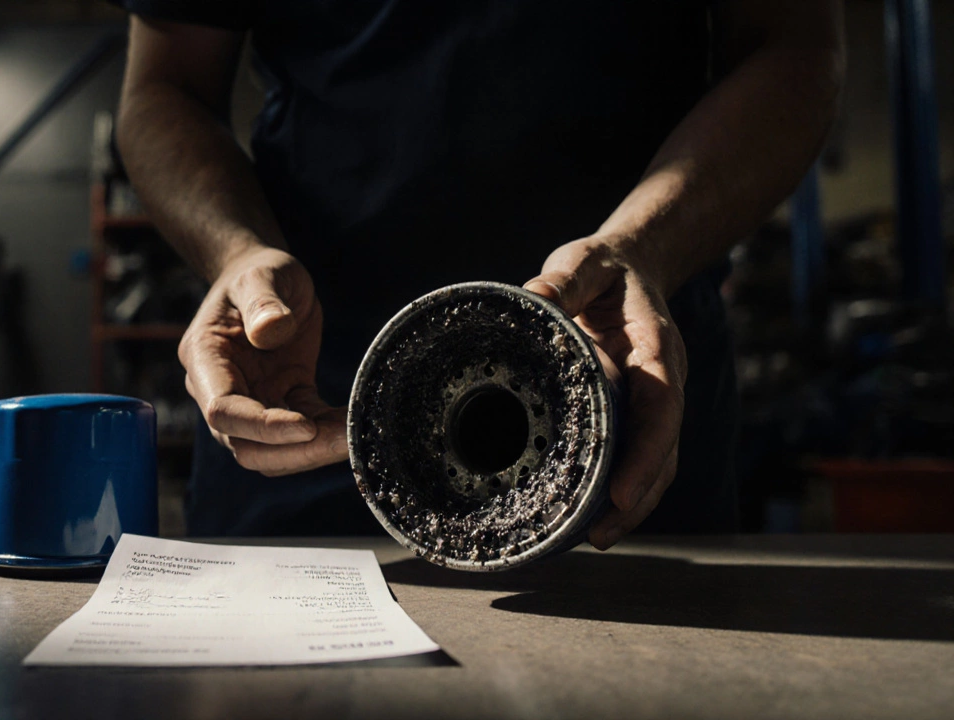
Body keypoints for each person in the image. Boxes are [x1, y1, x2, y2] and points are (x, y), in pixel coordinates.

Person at [112, 0, 845, 547]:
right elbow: (163, 89)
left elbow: (794, 47)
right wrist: (237, 254)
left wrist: (643, 247)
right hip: (310, 390)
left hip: (622, 369)